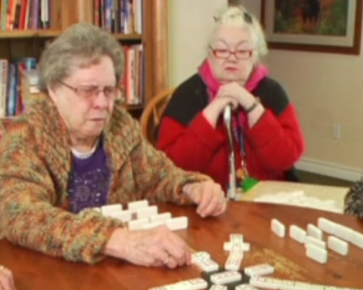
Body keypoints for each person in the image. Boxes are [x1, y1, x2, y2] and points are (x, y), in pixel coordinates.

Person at [0, 23, 227, 268]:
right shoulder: (25, 138)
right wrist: (120, 240)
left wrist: (192, 187)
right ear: (54, 89)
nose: (102, 103)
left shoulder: (119, 126)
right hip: (53, 273)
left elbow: (158, 175)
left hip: (116, 272)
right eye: (87, 90)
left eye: (109, 90)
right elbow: (20, 214)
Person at [157, 6, 305, 191]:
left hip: (267, 199)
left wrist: (251, 105)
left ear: (255, 55)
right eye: (222, 49)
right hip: (205, 203)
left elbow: (286, 158)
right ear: (210, 54)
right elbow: (171, 167)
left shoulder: (273, 92)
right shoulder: (188, 94)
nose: (232, 58)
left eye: (242, 51)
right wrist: (214, 109)